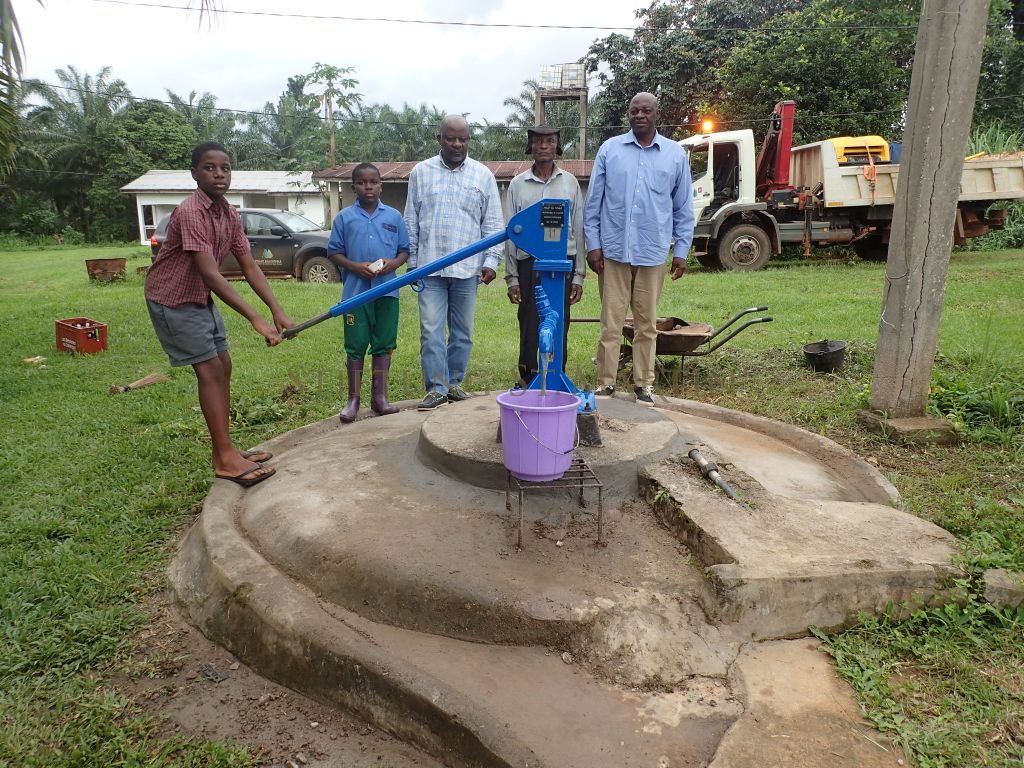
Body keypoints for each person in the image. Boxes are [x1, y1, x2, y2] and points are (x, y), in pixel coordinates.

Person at [144, 141, 293, 487]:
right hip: (173, 299)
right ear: (194, 173)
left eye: (225, 168)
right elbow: (211, 273)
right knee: (210, 370)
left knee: (223, 366)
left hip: (200, 298)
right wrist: (255, 319)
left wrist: (277, 310)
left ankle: (225, 450)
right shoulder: (191, 212)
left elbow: (249, 266)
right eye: (209, 167)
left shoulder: (228, 214)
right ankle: (225, 460)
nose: (219, 174)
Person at [583, 92, 694, 406]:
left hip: (652, 252)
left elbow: (683, 207)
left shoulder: (674, 155)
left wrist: (681, 251)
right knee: (611, 322)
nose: (640, 115)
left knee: (646, 324)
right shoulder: (610, 150)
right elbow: (593, 204)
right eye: (634, 111)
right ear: (628, 114)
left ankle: (643, 385)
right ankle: (606, 383)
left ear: (657, 114)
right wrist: (594, 246)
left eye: (646, 110)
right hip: (613, 253)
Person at [404, 115, 504, 411]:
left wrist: (492, 261)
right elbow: (411, 221)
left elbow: (493, 224)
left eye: (463, 139)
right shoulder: (420, 173)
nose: (457, 144)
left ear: (469, 141)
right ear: (440, 139)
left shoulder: (483, 175)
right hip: (430, 268)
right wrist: (412, 264)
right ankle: (436, 388)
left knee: (463, 334)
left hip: (468, 271)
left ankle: (454, 383)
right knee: (431, 331)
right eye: (450, 138)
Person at [327, 163, 411, 422]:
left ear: (381, 186)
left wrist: (392, 265)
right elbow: (334, 252)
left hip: (387, 292)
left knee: (384, 343)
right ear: (353, 187)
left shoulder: (394, 217)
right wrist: (355, 267)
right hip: (355, 294)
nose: (368, 187)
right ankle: (353, 399)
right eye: (362, 183)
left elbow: (404, 251)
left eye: (373, 182)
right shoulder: (344, 218)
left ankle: (380, 397)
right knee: (355, 344)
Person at [504, 124, 585, 386]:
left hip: (563, 264)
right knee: (529, 322)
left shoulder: (570, 183)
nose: (543, 146)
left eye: (549, 141)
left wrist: (579, 276)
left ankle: (555, 378)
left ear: (557, 146)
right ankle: (527, 378)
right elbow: (511, 234)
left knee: (559, 321)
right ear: (530, 146)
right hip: (529, 264)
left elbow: (579, 230)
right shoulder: (518, 185)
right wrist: (512, 278)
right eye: (538, 141)